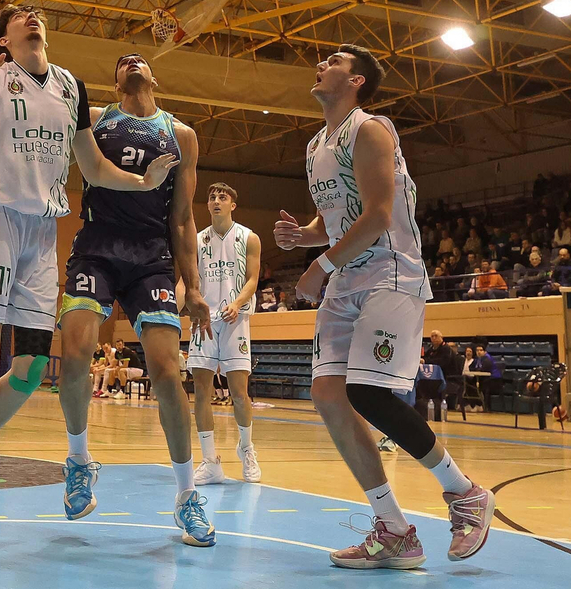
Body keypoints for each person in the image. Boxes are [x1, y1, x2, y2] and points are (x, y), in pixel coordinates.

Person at [0, 8, 175, 554]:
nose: (34, 17)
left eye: (38, 13)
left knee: (29, 370)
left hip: (41, 237)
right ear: (5, 39)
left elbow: (91, 168)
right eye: (21, 16)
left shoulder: (71, 87)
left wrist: (143, 182)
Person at [278, 46, 493, 570]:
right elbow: (338, 215)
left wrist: (320, 265)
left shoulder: (371, 129)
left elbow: (376, 215)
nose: (321, 63)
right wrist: (303, 235)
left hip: (388, 273)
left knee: (367, 391)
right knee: (329, 396)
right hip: (347, 278)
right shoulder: (315, 145)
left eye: (333, 60)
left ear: (355, 80)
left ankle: (463, 491)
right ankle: (395, 529)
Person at [49, 52, 216, 547]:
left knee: (167, 372)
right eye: (121, 62)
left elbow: (183, 219)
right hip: (96, 247)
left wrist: (197, 287)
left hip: (151, 258)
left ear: (153, 76)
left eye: (138, 60)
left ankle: (187, 496)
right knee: (76, 353)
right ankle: (79, 461)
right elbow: (38, 153)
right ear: (115, 79)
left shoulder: (180, 134)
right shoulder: (97, 120)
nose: (131, 63)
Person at [190, 182, 264, 486]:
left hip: (235, 319)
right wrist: (188, 304)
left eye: (223, 197)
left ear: (233, 205)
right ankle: (210, 461)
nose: (216, 200)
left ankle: (247, 449)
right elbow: (189, 281)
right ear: (207, 205)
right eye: (212, 197)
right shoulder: (196, 240)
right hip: (204, 322)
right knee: (201, 393)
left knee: (239, 394)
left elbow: (253, 279)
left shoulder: (249, 238)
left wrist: (236, 302)